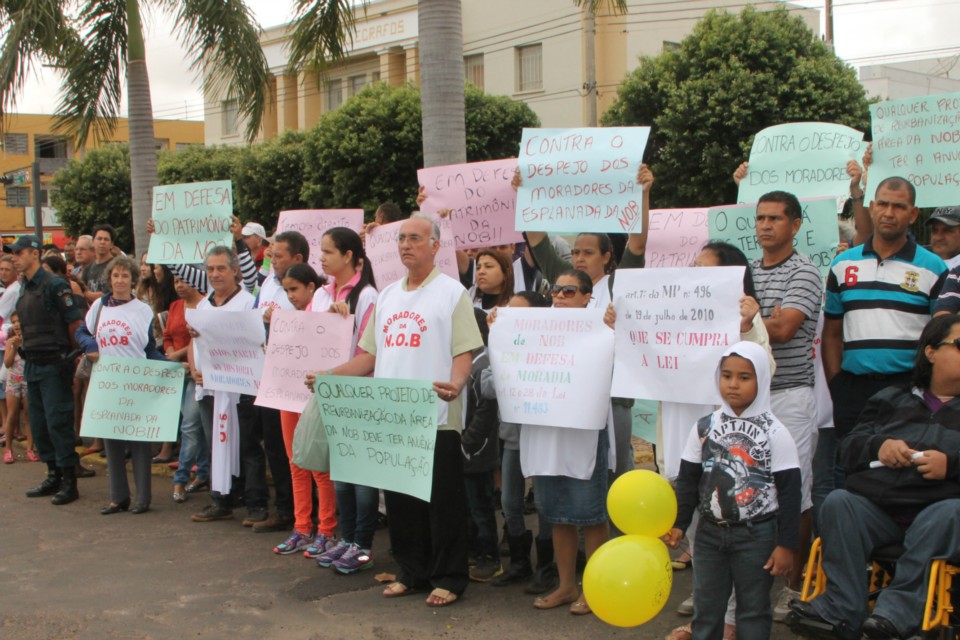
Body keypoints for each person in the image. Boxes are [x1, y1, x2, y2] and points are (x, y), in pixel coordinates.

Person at [307, 213, 483, 607]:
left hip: (436, 418)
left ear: (436, 246)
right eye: (402, 238)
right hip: (392, 419)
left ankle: (449, 577)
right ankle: (412, 571)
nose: (406, 244)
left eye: (416, 238)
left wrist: (456, 384)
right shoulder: (387, 296)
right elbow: (368, 356)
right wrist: (329, 376)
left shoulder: (452, 293)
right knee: (403, 503)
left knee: (442, 503)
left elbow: (463, 351)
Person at [788, 314, 960, 640]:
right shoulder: (890, 399)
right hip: (882, 509)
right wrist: (879, 447)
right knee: (840, 502)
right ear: (931, 352)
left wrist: (950, 465)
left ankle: (895, 616)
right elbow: (848, 449)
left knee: (950, 512)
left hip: (939, 512)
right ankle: (842, 610)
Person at [665, 341, 801, 640]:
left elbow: (791, 492)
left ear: (762, 380)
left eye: (744, 377)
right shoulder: (704, 426)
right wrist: (679, 523)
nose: (733, 385)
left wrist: (787, 545)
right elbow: (688, 479)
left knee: (753, 610)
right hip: (709, 534)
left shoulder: (776, 432)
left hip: (756, 535)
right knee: (707, 607)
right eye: (726, 376)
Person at [497, 269, 611, 615]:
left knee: (591, 513)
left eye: (570, 291)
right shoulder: (534, 330)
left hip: (583, 432)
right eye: (556, 291)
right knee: (556, 512)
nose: (560, 297)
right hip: (545, 430)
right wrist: (497, 328)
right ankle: (565, 585)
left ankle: (595, 588)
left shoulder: (602, 330)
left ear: (587, 297)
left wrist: (613, 329)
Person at [823, 177, 948, 442]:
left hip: (909, 388)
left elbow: (942, 338)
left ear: (913, 214)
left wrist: (924, 387)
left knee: (904, 472)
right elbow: (832, 333)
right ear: (871, 207)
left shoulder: (935, 268)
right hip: (853, 389)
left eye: (899, 206)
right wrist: (837, 385)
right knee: (854, 473)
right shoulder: (842, 265)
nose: (889, 213)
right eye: (883, 204)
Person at [746, 190, 823, 617]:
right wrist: (762, 317)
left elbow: (786, 328)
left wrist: (752, 319)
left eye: (775, 218)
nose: (765, 226)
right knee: (749, 488)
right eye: (760, 218)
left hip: (791, 393)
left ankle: (795, 587)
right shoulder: (747, 271)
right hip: (750, 399)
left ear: (795, 225)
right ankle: (748, 585)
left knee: (797, 492)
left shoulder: (806, 271)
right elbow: (745, 324)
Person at [307, 227, 380, 574]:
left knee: (362, 476)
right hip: (332, 394)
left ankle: (362, 544)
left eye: (328, 252)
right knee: (340, 474)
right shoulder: (322, 295)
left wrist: (331, 374)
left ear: (349, 255)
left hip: (359, 394)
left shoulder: (367, 296)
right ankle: (346, 538)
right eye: (320, 251)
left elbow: (369, 353)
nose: (321, 258)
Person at [76, 255, 167, 515]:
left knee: (139, 441)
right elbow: (81, 332)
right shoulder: (99, 307)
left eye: (125, 276)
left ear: (133, 279)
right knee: (112, 441)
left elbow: (149, 348)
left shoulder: (142, 310)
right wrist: (91, 347)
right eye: (115, 275)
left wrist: (169, 366)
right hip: (107, 381)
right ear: (109, 279)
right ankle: (118, 498)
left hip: (135, 381)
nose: (119, 280)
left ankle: (143, 498)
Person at [482, 291, 557, 592]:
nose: (509, 317)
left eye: (518, 312)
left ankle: (548, 566)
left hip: (544, 435)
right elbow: (486, 385)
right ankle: (519, 563)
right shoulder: (500, 343)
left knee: (544, 502)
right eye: (508, 311)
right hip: (512, 436)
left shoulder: (553, 346)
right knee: (509, 502)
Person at [188, 246, 268, 526]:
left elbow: (258, 343)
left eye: (221, 268)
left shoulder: (249, 303)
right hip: (210, 388)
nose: (215, 274)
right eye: (210, 269)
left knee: (248, 447)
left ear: (235, 270)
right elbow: (194, 343)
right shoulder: (203, 305)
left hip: (242, 389)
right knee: (216, 445)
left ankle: (256, 504)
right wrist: (195, 370)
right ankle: (221, 499)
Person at [13, 234, 85, 505]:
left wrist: (71, 356)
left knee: (58, 423)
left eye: (19, 253)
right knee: (40, 424)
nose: (15, 257)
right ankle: (53, 474)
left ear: (35, 253)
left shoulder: (54, 284)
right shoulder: (25, 287)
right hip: (33, 363)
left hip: (55, 364)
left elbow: (74, 323)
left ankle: (69, 479)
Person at [269, 263, 333, 557]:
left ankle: (327, 530)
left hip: (312, 400)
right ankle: (302, 527)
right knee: (295, 462)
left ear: (312, 287)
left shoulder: (326, 313)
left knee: (319, 466)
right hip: (287, 397)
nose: (291, 296)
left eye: (295, 289)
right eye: (286, 290)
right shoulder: (289, 320)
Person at [462, 308, 502, 582]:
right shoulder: (466, 361)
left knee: (481, 507)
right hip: (468, 450)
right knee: (468, 504)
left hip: (478, 450)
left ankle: (490, 557)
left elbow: (486, 412)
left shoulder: (483, 364)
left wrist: (467, 442)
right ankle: (475, 552)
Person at [166, 276, 209, 502]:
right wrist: (171, 352)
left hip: (197, 373)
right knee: (195, 426)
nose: (180, 285)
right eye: (175, 281)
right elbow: (167, 336)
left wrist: (181, 358)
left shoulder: (206, 304)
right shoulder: (174, 306)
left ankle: (180, 478)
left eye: (184, 280)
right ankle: (202, 473)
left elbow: (196, 341)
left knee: (190, 425)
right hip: (179, 371)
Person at [2, 312, 35, 464]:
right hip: (13, 381)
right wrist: (14, 347)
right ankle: (8, 449)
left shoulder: (32, 341)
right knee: (12, 415)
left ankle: (30, 447)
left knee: (29, 414)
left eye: (19, 321)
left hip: (28, 380)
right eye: (13, 322)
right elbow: (8, 363)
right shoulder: (10, 342)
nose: (16, 324)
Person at [82, 224, 116, 303]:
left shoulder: (116, 266)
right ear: (93, 242)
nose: (102, 242)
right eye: (99, 239)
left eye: (106, 239)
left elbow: (107, 296)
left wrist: (86, 294)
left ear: (112, 244)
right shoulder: (88, 269)